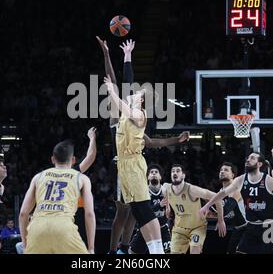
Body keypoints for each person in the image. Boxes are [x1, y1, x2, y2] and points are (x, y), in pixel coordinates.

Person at [97, 36, 190, 254]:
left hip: (132, 164)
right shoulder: (119, 115)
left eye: (138, 94)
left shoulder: (137, 114)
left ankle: (125, 248)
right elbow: (118, 82)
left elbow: (117, 90)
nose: (134, 92)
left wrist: (112, 87)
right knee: (129, 211)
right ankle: (120, 249)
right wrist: (116, 55)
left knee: (136, 210)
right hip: (121, 164)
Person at [199, 153, 273, 254]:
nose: (248, 160)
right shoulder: (241, 179)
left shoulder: (268, 180)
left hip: (268, 226)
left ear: (259, 164)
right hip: (251, 226)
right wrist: (206, 206)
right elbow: (222, 193)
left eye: (252, 158)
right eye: (248, 158)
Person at [19, 140, 96, 253]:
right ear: (73, 160)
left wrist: (25, 243)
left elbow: (23, 214)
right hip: (64, 227)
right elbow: (89, 214)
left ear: (53, 159)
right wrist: (91, 247)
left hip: (37, 228)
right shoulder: (81, 178)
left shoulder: (38, 177)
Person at [166, 164, 226, 254]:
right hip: (179, 229)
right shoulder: (166, 188)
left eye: (178, 171)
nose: (175, 173)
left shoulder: (192, 190)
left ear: (183, 175)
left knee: (195, 251)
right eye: (173, 171)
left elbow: (217, 197)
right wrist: (167, 207)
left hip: (197, 228)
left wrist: (221, 220)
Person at [129, 164, 171, 254]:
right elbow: (143, 212)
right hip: (146, 229)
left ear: (160, 177)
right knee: (132, 252)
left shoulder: (166, 190)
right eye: (151, 172)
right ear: (148, 177)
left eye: (156, 172)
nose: (154, 174)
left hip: (163, 228)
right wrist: (159, 205)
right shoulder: (144, 192)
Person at [208, 162, 247, 253]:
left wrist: (220, 219)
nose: (222, 172)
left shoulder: (237, 189)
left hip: (248, 228)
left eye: (226, 170)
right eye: (221, 170)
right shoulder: (220, 192)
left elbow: (226, 209)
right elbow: (215, 212)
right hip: (237, 229)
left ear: (233, 175)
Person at [73, 127, 97, 245]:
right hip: (76, 213)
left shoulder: (46, 175)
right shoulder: (74, 171)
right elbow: (91, 156)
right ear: (72, 159)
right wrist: (92, 138)